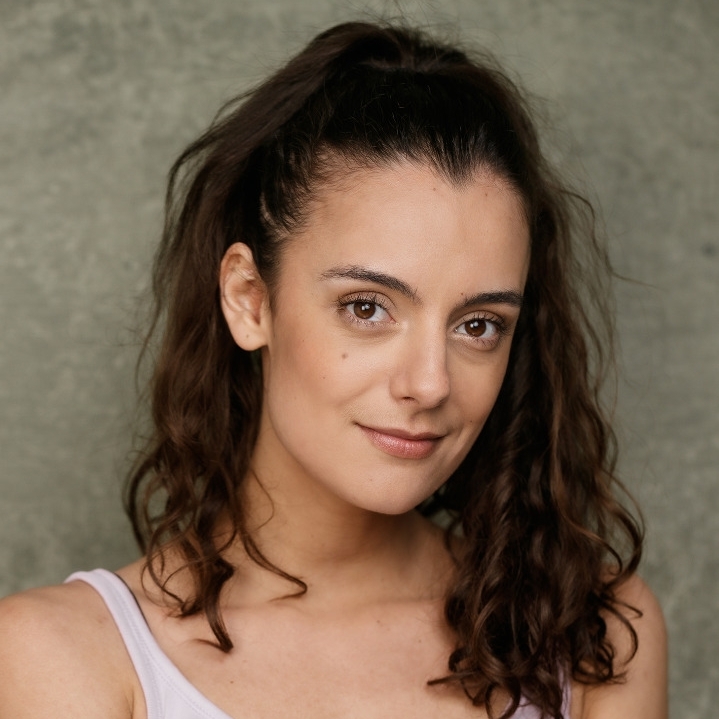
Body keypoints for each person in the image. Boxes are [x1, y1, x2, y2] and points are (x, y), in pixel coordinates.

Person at [0, 20, 666, 719]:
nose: (429, 383)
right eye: (367, 307)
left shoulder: (594, 636)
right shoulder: (66, 657)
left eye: (478, 325)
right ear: (249, 299)